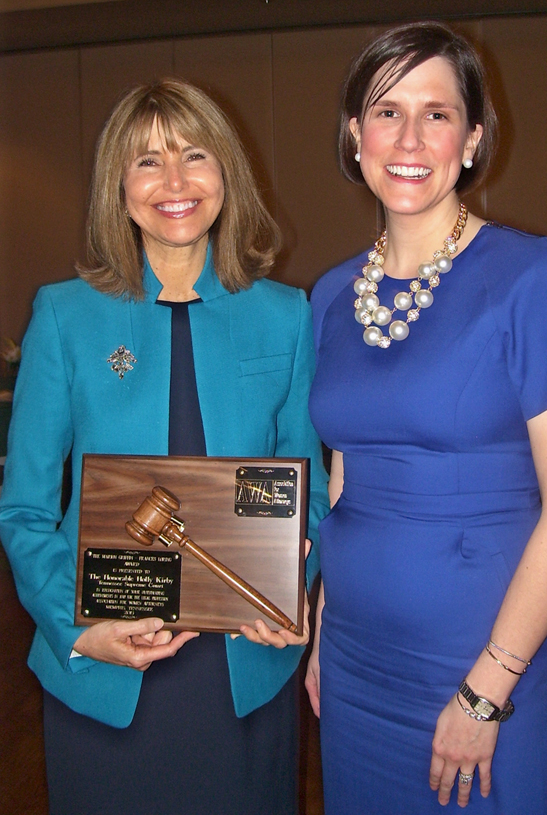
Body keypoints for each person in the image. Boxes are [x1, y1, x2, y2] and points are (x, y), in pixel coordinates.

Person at [0, 77, 329, 815]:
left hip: (246, 667)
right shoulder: (64, 317)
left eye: (194, 156)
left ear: (226, 177)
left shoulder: (285, 317)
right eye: (147, 161)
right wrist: (79, 630)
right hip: (105, 675)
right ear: (118, 189)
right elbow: (22, 508)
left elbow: (310, 497)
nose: (174, 181)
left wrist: (293, 588)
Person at [306, 22, 547, 814]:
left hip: (484, 663)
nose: (409, 137)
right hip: (357, 660)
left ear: (472, 138)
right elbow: (346, 476)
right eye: (385, 110)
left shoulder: (531, 278)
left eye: (436, 114)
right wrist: (323, 630)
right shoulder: (332, 296)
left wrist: (484, 694)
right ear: (352, 135)